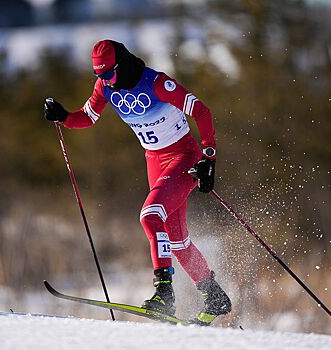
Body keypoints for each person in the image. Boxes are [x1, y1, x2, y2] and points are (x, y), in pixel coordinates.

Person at [44, 39, 231, 325]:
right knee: (178, 242)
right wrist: (64, 117)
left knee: (150, 216)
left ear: (123, 65)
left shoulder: (157, 83)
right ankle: (214, 296)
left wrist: (209, 156)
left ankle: (164, 294)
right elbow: (87, 117)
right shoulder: (105, 87)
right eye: (99, 76)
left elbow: (201, 111)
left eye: (108, 74)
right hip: (155, 161)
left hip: (184, 157)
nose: (105, 81)